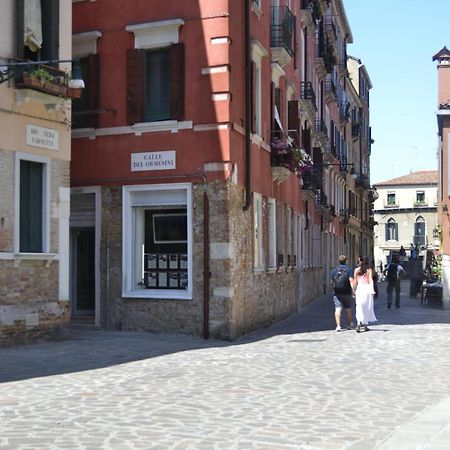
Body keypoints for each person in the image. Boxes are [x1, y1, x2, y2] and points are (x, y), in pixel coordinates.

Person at [352, 256, 377, 333]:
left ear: (360, 262)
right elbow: (370, 280)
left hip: (360, 289)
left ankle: (358, 323)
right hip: (367, 289)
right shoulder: (369, 270)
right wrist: (372, 291)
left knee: (359, 306)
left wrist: (353, 291)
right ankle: (365, 325)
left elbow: (355, 282)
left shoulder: (356, 270)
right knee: (367, 306)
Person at [330, 255, 354, 331]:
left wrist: (334, 288)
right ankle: (349, 324)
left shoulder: (334, 270)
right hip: (347, 292)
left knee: (337, 309)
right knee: (348, 309)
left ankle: (338, 326)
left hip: (337, 292)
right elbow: (351, 280)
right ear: (346, 261)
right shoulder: (349, 270)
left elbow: (331, 281)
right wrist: (353, 291)